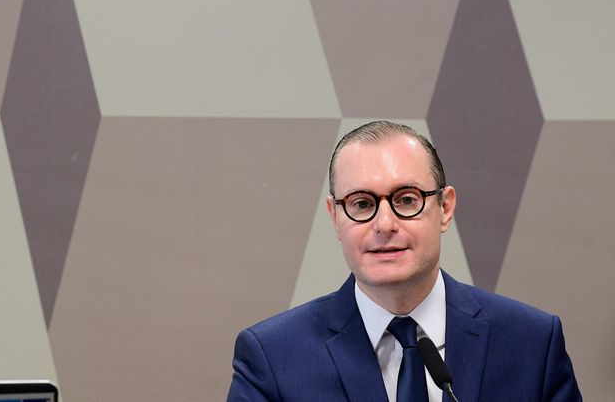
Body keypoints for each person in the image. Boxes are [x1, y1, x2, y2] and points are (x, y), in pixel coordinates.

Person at [227, 121, 581, 401]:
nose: (384, 225)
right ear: (336, 218)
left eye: (406, 199)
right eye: (362, 204)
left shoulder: (531, 343)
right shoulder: (273, 357)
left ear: (445, 208)